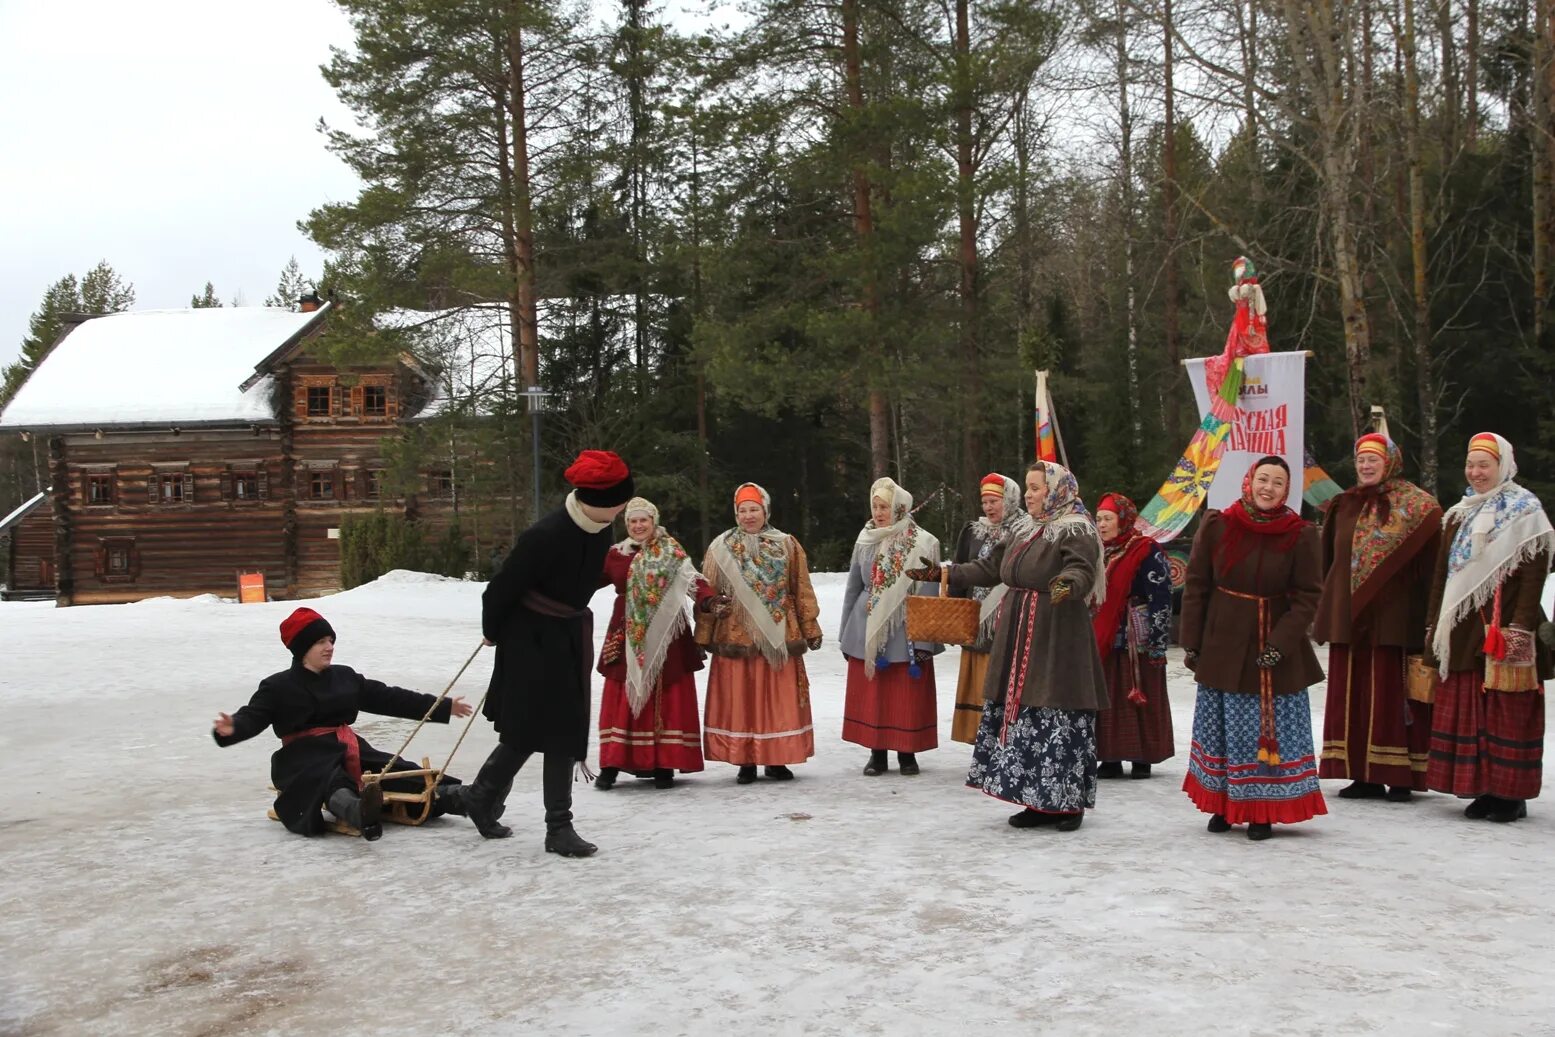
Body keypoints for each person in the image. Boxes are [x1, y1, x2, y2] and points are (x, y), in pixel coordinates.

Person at [910, 461, 1109, 833]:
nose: (1030, 494)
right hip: (1019, 628)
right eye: (1029, 488)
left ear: (1055, 491)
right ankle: (1032, 799)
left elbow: (1082, 569)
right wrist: (944, 573)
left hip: (1057, 631)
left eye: (1036, 488)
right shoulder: (1022, 528)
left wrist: (1068, 583)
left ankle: (1067, 804)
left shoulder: (1076, 528)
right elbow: (990, 567)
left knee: (1056, 711)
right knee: (1024, 713)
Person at [463, 449, 635, 858]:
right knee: (528, 729)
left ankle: (540, 819)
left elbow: (575, 582)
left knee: (561, 728)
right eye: (619, 502)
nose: (623, 509)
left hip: (567, 634)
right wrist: (493, 631)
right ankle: (496, 802)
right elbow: (500, 589)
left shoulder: (600, 529)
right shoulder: (545, 535)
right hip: (529, 639)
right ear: (597, 501)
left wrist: (610, 572)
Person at [212, 607, 473, 841]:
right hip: (302, 757)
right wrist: (233, 727)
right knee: (328, 777)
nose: (329, 647)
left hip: (348, 748)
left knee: (393, 770)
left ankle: (463, 797)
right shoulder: (277, 686)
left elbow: (390, 698)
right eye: (320, 642)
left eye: (331, 641)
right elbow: (253, 716)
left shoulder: (344, 677)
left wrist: (443, 706)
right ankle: (358, 811)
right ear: (303, 648)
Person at [1179, 456, 1328, 841]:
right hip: (1223, 643)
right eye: (1263, 479)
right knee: (1222, 730)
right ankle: (1224, 806)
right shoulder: (1218, 525)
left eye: (1278, 483)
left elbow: (1308, 596)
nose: (1268, 488)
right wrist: (1192, 643)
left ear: (1286, 490)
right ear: (1249, 481)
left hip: (1270, 646)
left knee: (1263, 732)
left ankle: (1262, 809)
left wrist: (1281, 643)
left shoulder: (1301, 534)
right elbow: (1196, 586)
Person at [1424, 433, 1554, 823]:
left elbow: (1534, 577)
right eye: (1471, 464)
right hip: (1464, 632)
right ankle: (1483, 787)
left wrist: (1521, 628)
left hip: (1505, 628)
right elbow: (1442, 577)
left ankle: (1510, 794)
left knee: (1506, 713)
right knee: (1473, 710)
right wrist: (1433, 625)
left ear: (1503, 465)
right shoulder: (1459, 514)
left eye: (1485, 464)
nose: (1476, 472)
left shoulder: (1525, 512)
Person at [1314, 433, 1443, 800]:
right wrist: (1328, 609)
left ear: (1391, 463)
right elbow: (1328, 563)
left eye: (1374, 460)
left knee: (1392, 695)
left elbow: (1432, 567)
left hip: (1395, 618)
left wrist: (1429, 618)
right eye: (1361, 460)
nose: (1366, 466)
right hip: (1349, 619)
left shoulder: (1418, 507)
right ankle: (1361, 774)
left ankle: (1399, 775)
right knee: (1351, 695)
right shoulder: (1343, 505)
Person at [595, 497, 730, 790]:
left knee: (666, 693)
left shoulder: (671, 552)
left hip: (668, 632)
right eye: (633, 521)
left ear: (653, 522)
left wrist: (709, 600)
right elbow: (588, 580)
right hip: (627, 629)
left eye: (643, 520)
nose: (638, 525)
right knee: (623, 692)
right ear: (626, 525)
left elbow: (694, 581)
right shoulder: (616, 554)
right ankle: (611, 764)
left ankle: (663, 763)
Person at [696, 482, 824, 784]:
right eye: (743, 510)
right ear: (736, 513)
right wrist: (703, 635)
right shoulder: (720, 548)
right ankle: (745, 760)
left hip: (778, 633)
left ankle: (777, 758)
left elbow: (801, 587)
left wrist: (810, 627)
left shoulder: (788, 545)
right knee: (742, 698)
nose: (748, 516)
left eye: (754, 509)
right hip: (735, 634)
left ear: (765, 511)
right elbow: (708, 591)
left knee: (776, 698)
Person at [838, 477, 943, 775]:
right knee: (875, 693)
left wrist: (925, 641)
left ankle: (907, 753)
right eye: (875, 506)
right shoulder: (866, 539)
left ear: (899, 507)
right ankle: (877, 752)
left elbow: (930, 593)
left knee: (905, 692)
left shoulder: (924, 542)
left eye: (884, 506)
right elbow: (853, 587)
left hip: (907, 628)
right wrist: (848, 635)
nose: (879, 512)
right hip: (868, 625)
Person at [1092, 493, 1175, 779]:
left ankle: (1143, 757)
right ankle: (1111, 757)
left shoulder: (1146, 549)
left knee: (1140, 690)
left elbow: (1161, 595)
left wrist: (1157, 638)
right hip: (1105, 633)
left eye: (1108, 519)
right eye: (1099, 518)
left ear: (1123, 520)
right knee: (1110, 693)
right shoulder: (1099, 551)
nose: (1101, 525)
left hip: (1138, 635)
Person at [947, 474, 1035, 744]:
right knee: (977, 681)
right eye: (984, 502)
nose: (988, 507)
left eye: (994, 501)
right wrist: (954, 612)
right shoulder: (973, 531)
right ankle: (980, 740)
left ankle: (1004, 738)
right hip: (977, 621)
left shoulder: (1025, 529)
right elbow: (962, 569)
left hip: (1008, 621)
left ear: (1009, 499)